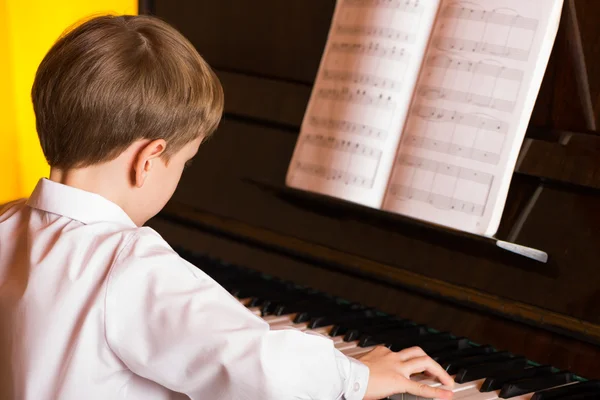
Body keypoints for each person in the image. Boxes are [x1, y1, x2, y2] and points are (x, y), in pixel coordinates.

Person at [0, 14, 454, 400]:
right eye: (186, 161)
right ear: (148, 160)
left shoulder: (8, 222)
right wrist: (359, 375)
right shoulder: (131, 266)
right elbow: (259, 368)